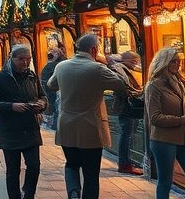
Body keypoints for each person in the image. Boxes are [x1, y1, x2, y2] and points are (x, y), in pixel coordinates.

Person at [47, 32, 127, 199]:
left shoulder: (62, 66)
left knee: (71, 164)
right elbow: (121, 84)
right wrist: (112, 64)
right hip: (90, 126)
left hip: (67, 125)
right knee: (91, 173)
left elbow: (51, 85)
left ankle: (74, 192)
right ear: (94, 49)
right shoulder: (97, 69)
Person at [0, 45, 47, 199]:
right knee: (13, 170)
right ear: (11, 58)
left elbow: (42, 96)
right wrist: (11, 107)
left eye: (28, 59)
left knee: (34, 166)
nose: (25, 63)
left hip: (30, 128)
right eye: (21, 59)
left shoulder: (32, 76)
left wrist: (42, 104)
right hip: (10, 129)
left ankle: (28, 194)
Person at [145, 46, 185, 199]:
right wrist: (181, 120)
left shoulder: (180, 82)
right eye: (174, 61)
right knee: (165, 182)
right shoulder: (154, 85)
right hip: (164, 140)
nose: (178, 64)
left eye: (179, 61)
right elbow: (155, 118)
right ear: (164, 63)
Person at [109, 50, 144, 175]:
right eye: (134, 61)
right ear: (127, 60)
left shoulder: (122, 69)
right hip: (127, 107)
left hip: (125, 107)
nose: (136, 64)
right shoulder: (120, 70)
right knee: (127, 135)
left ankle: (127, 161)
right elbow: (125, 89)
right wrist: (139, 93)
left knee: (127, 134)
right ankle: (124, 163)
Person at [40, 50, 60, 130]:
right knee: (56, 109)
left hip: (50, 91)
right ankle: (54, 125)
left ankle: (54, 126)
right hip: (54, 92)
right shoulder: (56, 66)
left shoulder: (48, 66)